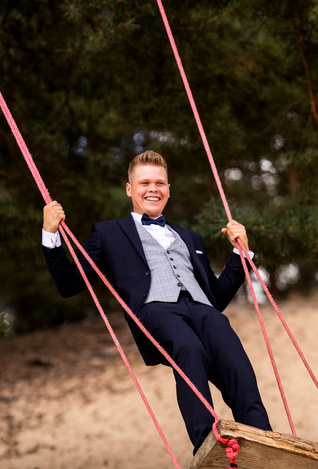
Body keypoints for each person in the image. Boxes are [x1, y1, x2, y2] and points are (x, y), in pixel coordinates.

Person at [42, 149, 272, 452]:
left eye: (160, 183)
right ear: (129, 189)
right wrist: (50, 234)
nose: (153, 189)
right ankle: (208, 444)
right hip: (155, 309)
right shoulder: (108, 233)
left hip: (203, 310)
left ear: (168, 189)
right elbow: (69, 283)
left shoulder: (191, 238)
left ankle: (263, 440)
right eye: (145, 183)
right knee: (188, 349)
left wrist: (239, 254)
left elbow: (215, 297)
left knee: (234, 358)